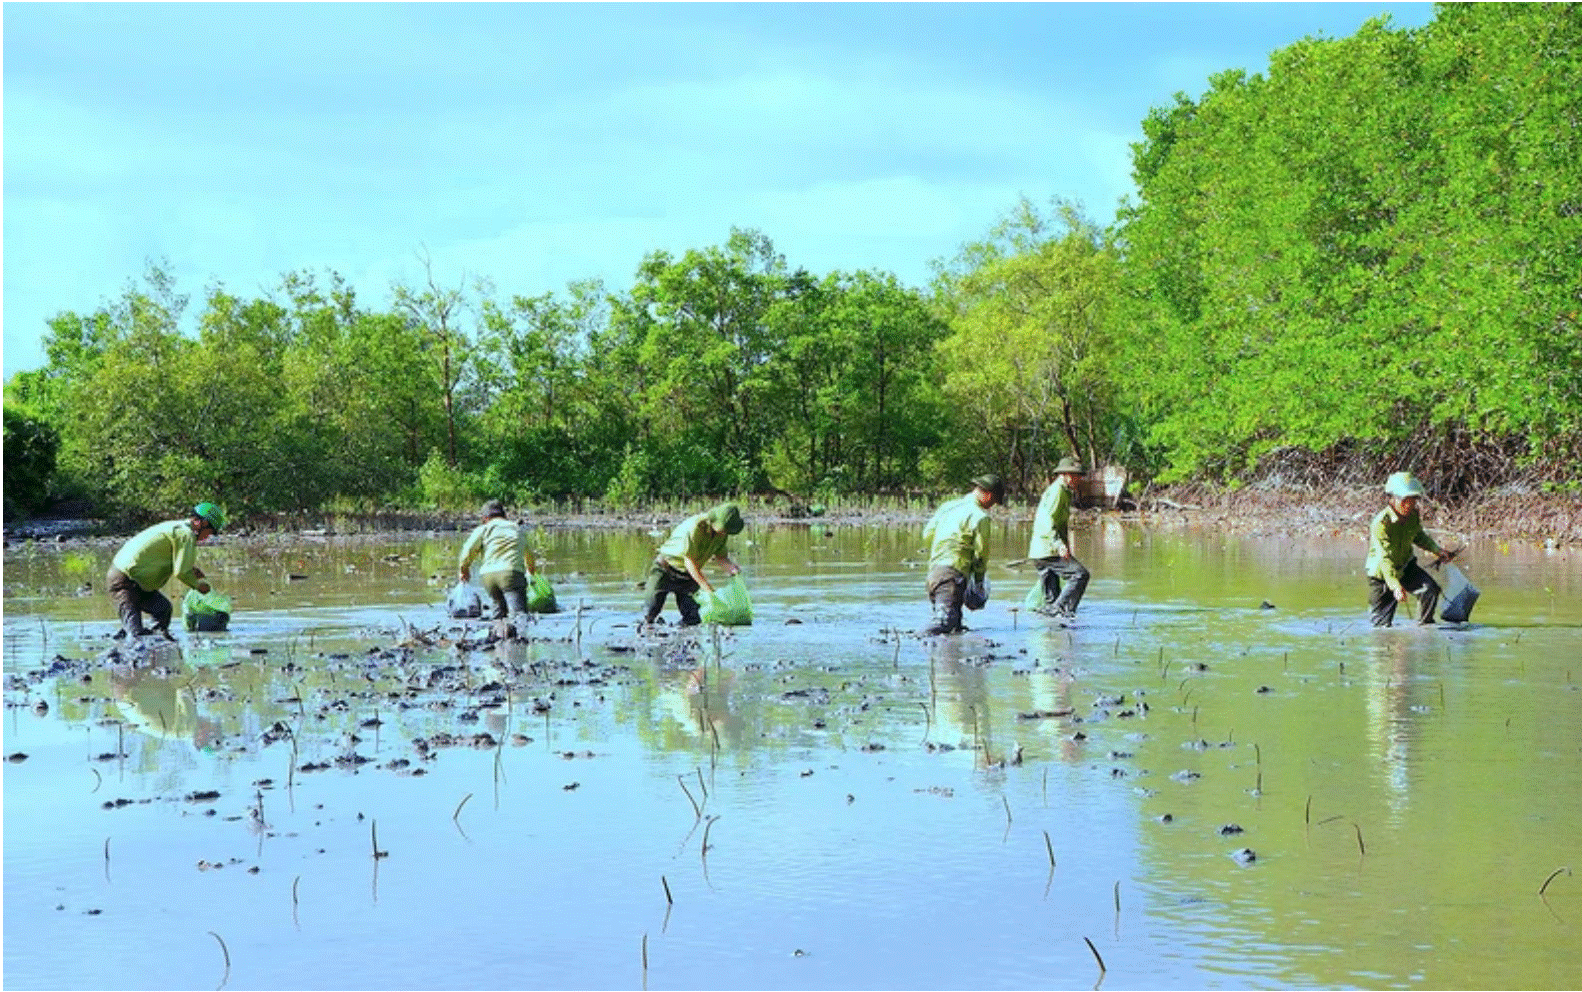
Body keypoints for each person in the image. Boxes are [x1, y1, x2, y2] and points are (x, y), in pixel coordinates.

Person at [107, 502, 226, 640]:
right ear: (201, 523)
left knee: (163, 609)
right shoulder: (186, 534)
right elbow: (181, 572)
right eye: (210, 532)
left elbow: (164, 558)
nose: (207, 537)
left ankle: (156, 642)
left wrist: (191, 569)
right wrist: (200, 586)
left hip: (137, 581)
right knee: (135, 635)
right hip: (123, 582)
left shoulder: (178, 528)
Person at [920, 474, 1004, 635]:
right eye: (993, 501)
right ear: (988, 494)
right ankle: (914, 643)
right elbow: (981, 555)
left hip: (935, 573)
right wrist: (979, 582)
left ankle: (948, 657)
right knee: (945, 622)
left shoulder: (948, 507)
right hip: (953, 575)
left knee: (955, 626)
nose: (992, 506)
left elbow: (927, 534)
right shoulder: (980, 517)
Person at [1367, 472, 1451, 627]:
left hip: (1406, 566)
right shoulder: (1381, 523)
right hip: (1382, 575)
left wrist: (1437, 550)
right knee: (1380, 627)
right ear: (1392, 499)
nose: (1409, 505)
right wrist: (1395, 586)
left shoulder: (1413, 515)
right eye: (1405, 500)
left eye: (1413, 500)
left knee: (1430, 591)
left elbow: (1418, 535)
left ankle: (1424, 630)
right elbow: (1384, 557)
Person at [642, 502, 744, 627]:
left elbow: (721, 557)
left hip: (688, 577)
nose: (724, 533)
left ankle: (682, 636)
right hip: (665, 569)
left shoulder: (722, 534)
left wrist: (732, 569)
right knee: (650, 613)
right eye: (723, 530)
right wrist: (708, 589)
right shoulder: (695, 527)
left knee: (694, 618)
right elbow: (689, 562)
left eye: (727, 531)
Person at [1028, 457, 1092, 624]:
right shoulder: (1058, 491)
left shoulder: (1061, 490)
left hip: (1039, 550)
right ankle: (1061, 610)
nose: (1079, 479)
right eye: (1076, 476)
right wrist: (1059, 545)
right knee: (1080, 574)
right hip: (1047, 549)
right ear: (1066, 475)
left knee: (1052, 600)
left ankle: (1054, 635)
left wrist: (1064, 545)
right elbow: (1047, 521)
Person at [458, 500, 537, 627]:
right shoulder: (515, 528)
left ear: (485, 518)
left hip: (488, 577)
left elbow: (467, 551)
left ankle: (497, 641)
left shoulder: (483, 529)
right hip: (511, 574)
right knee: (518, 617)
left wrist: (464, 570)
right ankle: (518, 644)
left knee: (498, 614)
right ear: (504, 515)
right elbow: (529, 556)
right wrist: (531, 571)